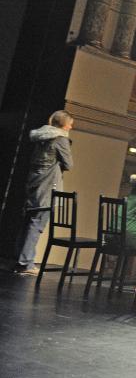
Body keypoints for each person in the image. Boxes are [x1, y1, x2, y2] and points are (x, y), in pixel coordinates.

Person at [11, 110, 74, 274]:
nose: (71, 127)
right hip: (47, 185)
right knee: (37, 224)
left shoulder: (41, 137)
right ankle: (25, 263)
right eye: (70, 124)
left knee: (28, 222)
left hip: (34, 181)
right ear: (63, 124)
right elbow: (68, 164)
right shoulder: (60, 139)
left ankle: (20, 259)